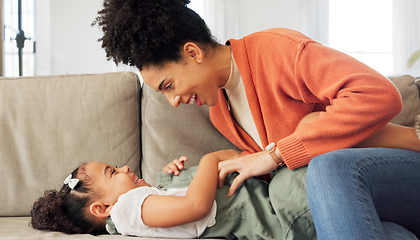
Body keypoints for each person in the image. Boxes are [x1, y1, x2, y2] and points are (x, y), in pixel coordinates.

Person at [93, 0, 420, 239]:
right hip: (358, 199)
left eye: (169, 86)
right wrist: (185, 179)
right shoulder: (220, 111)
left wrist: (276, 154)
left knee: (328, 168)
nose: (174, 102)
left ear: (193, 53)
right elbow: (285, 179)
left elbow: (377, 94)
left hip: (401, 172)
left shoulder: (276, 51)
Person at [30, 150, 316, 239]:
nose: (125, 167)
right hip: (280, 215)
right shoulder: (127, 210)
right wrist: (209, 160)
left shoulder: (139, 203)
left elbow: (181, 205)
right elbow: (196, 206)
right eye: (113, 172)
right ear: (102, 208)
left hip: (273, 203)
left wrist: (168, 182)